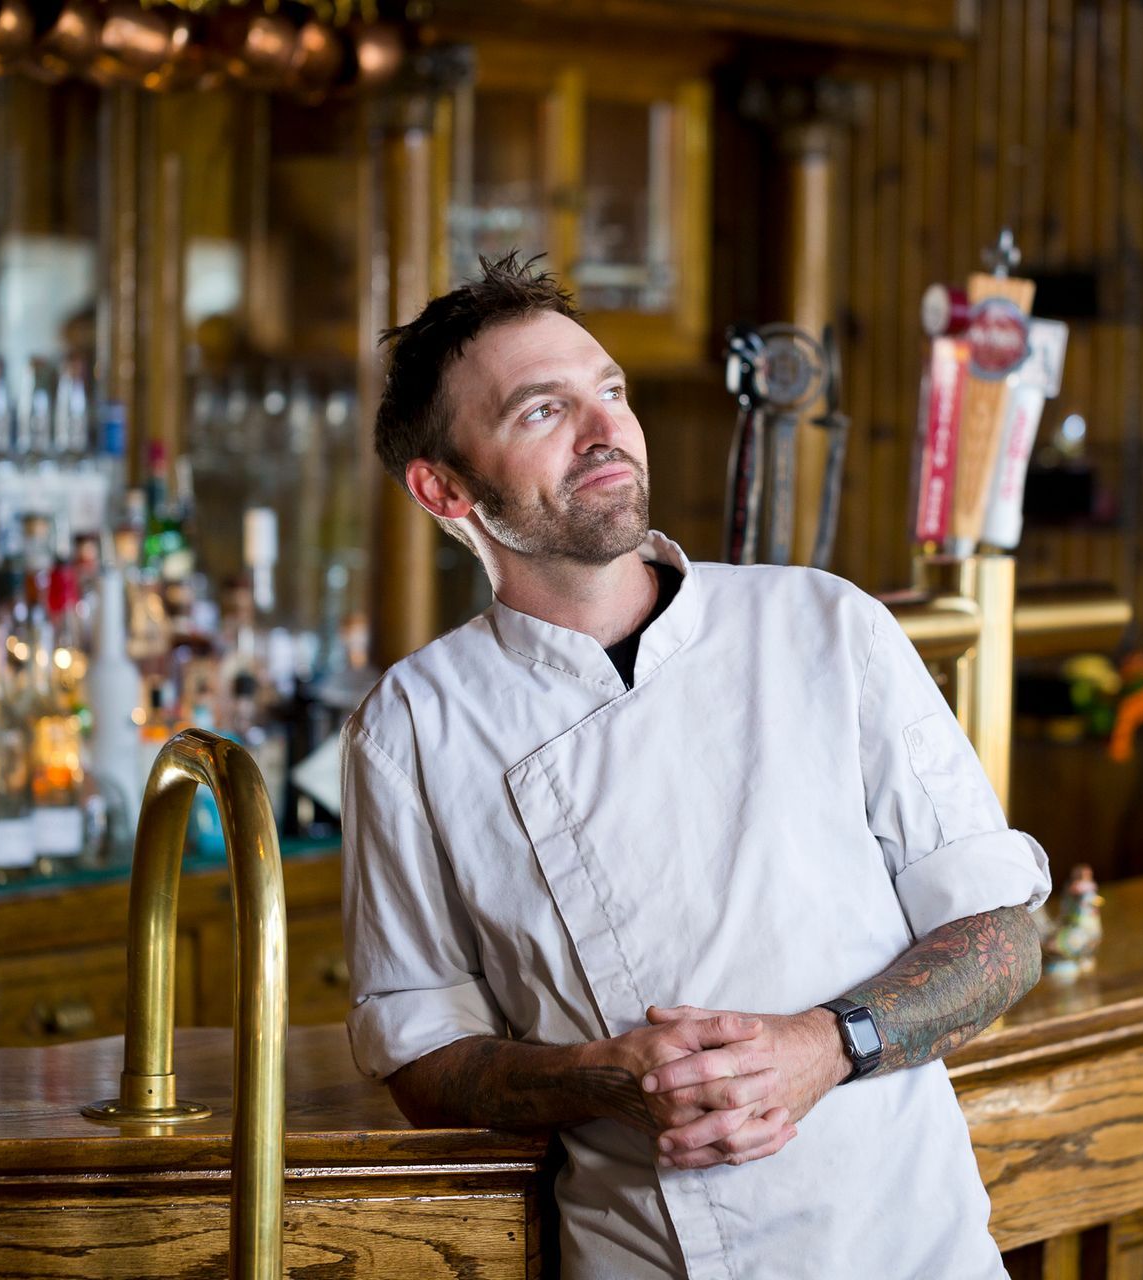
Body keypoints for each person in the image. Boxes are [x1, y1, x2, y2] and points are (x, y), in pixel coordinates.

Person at [342, 252, 1052, 1278]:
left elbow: (1002, 937)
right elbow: (423, 1055)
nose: (606, 431)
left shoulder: (822, 624)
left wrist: (826, 1042)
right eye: (544, 410)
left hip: (909, 1245)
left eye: (610, 392)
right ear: (444, 486)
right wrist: (599, 1077)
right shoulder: (413, 725)